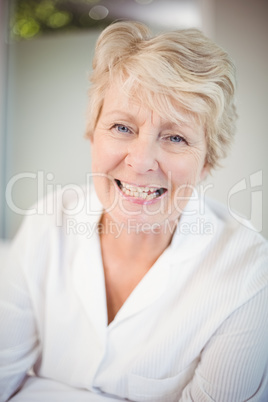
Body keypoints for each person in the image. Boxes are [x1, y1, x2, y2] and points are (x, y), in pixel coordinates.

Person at [0, 20, 267, 402]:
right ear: (93, 135)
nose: (141, 161)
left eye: (176, 137)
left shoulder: (248, 274)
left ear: (207, 161)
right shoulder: (47, 220)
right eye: (122, 127)